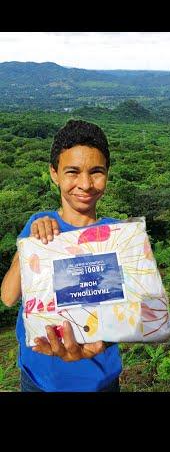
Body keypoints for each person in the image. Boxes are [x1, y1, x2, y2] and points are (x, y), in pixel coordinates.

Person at [0, 119, 122, 392]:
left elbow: (135, 312)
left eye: (96, 172)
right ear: (54, 173)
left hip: (100, 380)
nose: (85, 184)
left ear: (107, 174)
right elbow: (8, 297)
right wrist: (31, 246)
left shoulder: (116, 234)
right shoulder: (38, 227)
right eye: (72, 172)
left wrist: (104, 341)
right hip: (39, 380)